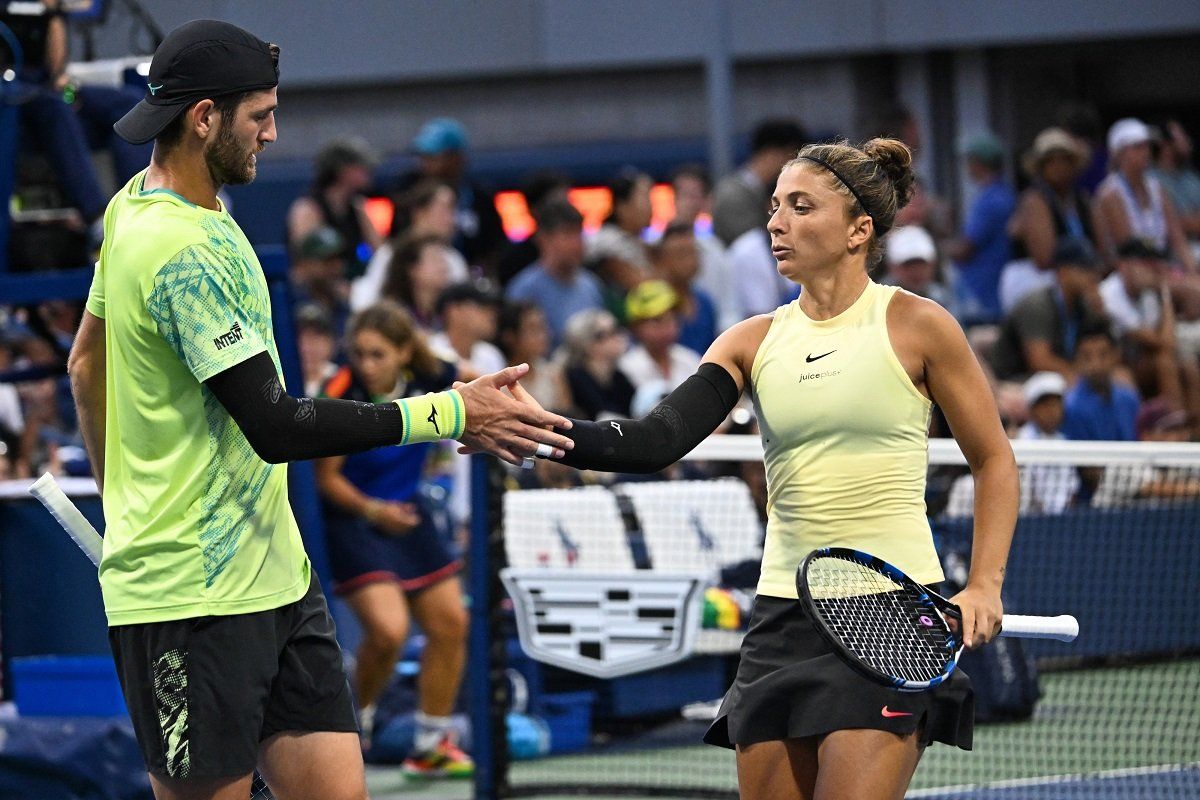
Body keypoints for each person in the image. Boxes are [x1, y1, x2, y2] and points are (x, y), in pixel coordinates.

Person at [67, 20, 573, 800]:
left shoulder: (136, 205)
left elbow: (84, 364)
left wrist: (118, 498)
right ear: (203, 118)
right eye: (259, 115)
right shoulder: (181, 251)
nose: (273, 131)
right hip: (191, 603)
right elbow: (273, 425)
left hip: (277, 581)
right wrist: (449, 413)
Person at [532, 137, 1016, 799]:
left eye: (799, 206)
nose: (775, 223)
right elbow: (650, 442)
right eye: (774, 206)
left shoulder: (918, 325)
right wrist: (534, 431)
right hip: (781, 621)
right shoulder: (750, 340)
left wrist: (984, 583)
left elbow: (994, 460)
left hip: (893, 616)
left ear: (858, 230)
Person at [314, 302, 473, 778]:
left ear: (404, 351)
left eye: (378, 354)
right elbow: (325, 477)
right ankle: (351, 726)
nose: (367, 364)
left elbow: (487, 384)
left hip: (408, 513)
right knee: (388, 631)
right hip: (353, 516)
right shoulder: (341, 389)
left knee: (451, 623)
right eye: (359, 353)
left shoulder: (433, 373)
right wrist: (372, 510)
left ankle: (432, 745)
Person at [3, 0, 151, 237]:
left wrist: (53, 14)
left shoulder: (42, 8)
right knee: (55, 106)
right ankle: (97, 218)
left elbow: (56, 72)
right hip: (15, 100)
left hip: (48, 96)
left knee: (129, 103)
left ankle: (142, 208)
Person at [1002, 127, 1096, 313]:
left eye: (1064, 160)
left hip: (1080, 275)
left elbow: (1100, 246)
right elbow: (1043, 259)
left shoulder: (1082, 200)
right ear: (1041, 167)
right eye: (1051, 161)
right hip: (1039, 281)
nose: (1058, 166)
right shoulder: (1034, 200)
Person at [988, 240, 1108, 382]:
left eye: (1093, 269)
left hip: (1056, 376)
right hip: (1013, 379)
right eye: (1084, 269)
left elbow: (1102, 348)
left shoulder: (1083, 304)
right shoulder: (1037, 304)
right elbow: (1039, 361)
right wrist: (1078, 373)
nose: (1092, 275)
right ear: (1062, 271)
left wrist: (1100, 313)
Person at [399, 118, 507, 270]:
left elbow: (496, 248)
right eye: (423, 157)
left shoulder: (480, 199)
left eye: (434, 157)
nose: (425, 164)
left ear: (456, 159)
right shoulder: (409, 198)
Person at [1094, 118, 1196, 271]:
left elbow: (1178, 240)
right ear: (1119, 153)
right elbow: (1128, 248)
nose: (1146, 151)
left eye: (1147, 145)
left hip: (1164, 265)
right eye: (1137, 147)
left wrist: (1192, 270)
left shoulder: (1157, 188)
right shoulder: (1110, 193)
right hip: (1130, 271)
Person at [352, 179, 470, 311]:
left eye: (453, 211)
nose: (451, 219)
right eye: (444, 210)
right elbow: (367, 302)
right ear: (419, 213)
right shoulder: (390, 254)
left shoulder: (454, 260)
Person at [505, 199, 605, 347]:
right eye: (568, 234)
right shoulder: (523, 290)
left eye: (579, 233)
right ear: (543, 238)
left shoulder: (591, 285)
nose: (577, 243)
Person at [286, 137, 383, 280]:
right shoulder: (307, 209)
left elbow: (380, 254)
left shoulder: (358, 207)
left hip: (351, 287)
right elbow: (308, 264)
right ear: (342, 170)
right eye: (361, 167)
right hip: (314, 292)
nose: (368, 171)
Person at [947, 134, 1017, 324]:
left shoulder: (992, 200)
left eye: (969, 160)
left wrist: (938, 248)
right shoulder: (1002, 193)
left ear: (979, 162)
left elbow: (965, 249)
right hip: (990, 291)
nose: (967, 167)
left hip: (982, 294)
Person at [711, 119, 807, 246]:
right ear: (771, 153)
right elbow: (752, 246)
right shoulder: (733, 195)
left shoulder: (762, 191)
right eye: (791, 158)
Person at [671, 163, 741, 330]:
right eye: (684, 195)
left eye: (696, 196)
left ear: (704, 201)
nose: (690, 202)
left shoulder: (715, 250)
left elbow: (728, 307)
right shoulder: (656, 248)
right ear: (674, 198)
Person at [617, 280, 702, 415]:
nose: (668, 327)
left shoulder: (689, 359)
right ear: (635, 326)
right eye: (657, 320)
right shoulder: (625, 369)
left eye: (672, 318)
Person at [586, 168, 655, 317]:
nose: (651, 207)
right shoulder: (605, 241)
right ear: (622, 206)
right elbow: (645, 288)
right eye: (644, 199)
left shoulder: (642, 242)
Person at [1061, 327, 1141, 442]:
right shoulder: (1071, 408)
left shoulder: (1129, 399)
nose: (1096, 365)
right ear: (1077, 360)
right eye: (1087, 357)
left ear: (1115, 356)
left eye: (1103, 355)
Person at [652, 221, 719, 354]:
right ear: (662, 259)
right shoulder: (653, 304)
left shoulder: (705, 301)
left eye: (693, 252)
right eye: (682, 254)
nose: (690, 260)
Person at [559, 308, 634, 421]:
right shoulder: (575, 378)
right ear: (587, 344)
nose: (616, 338)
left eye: (616, 330)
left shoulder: (618, 375)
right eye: (607, 334)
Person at [496, 302, 572, 412]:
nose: (543, 335)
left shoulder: (553, 374)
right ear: (510, 337)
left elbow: (567, 420)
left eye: (543, 327)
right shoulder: (496, 379)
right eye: (533, 329)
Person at [429, 281, 506, 376]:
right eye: (481, 306)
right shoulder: (431, 351)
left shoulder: (491, 356)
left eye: (493, 309)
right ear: (454, 311)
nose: (491, 314)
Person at [380, 234, 454, 330]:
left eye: (443, 259)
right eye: (434, 259)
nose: (443, 266)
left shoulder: (449, 314)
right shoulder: (393, 316)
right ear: (412, 270)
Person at [880, 225, 955, 314]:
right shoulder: (879, 302)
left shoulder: (943, 299)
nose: (915, 272)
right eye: (908, 265)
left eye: (921, 264)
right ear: (892, 266)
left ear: (932, 264)